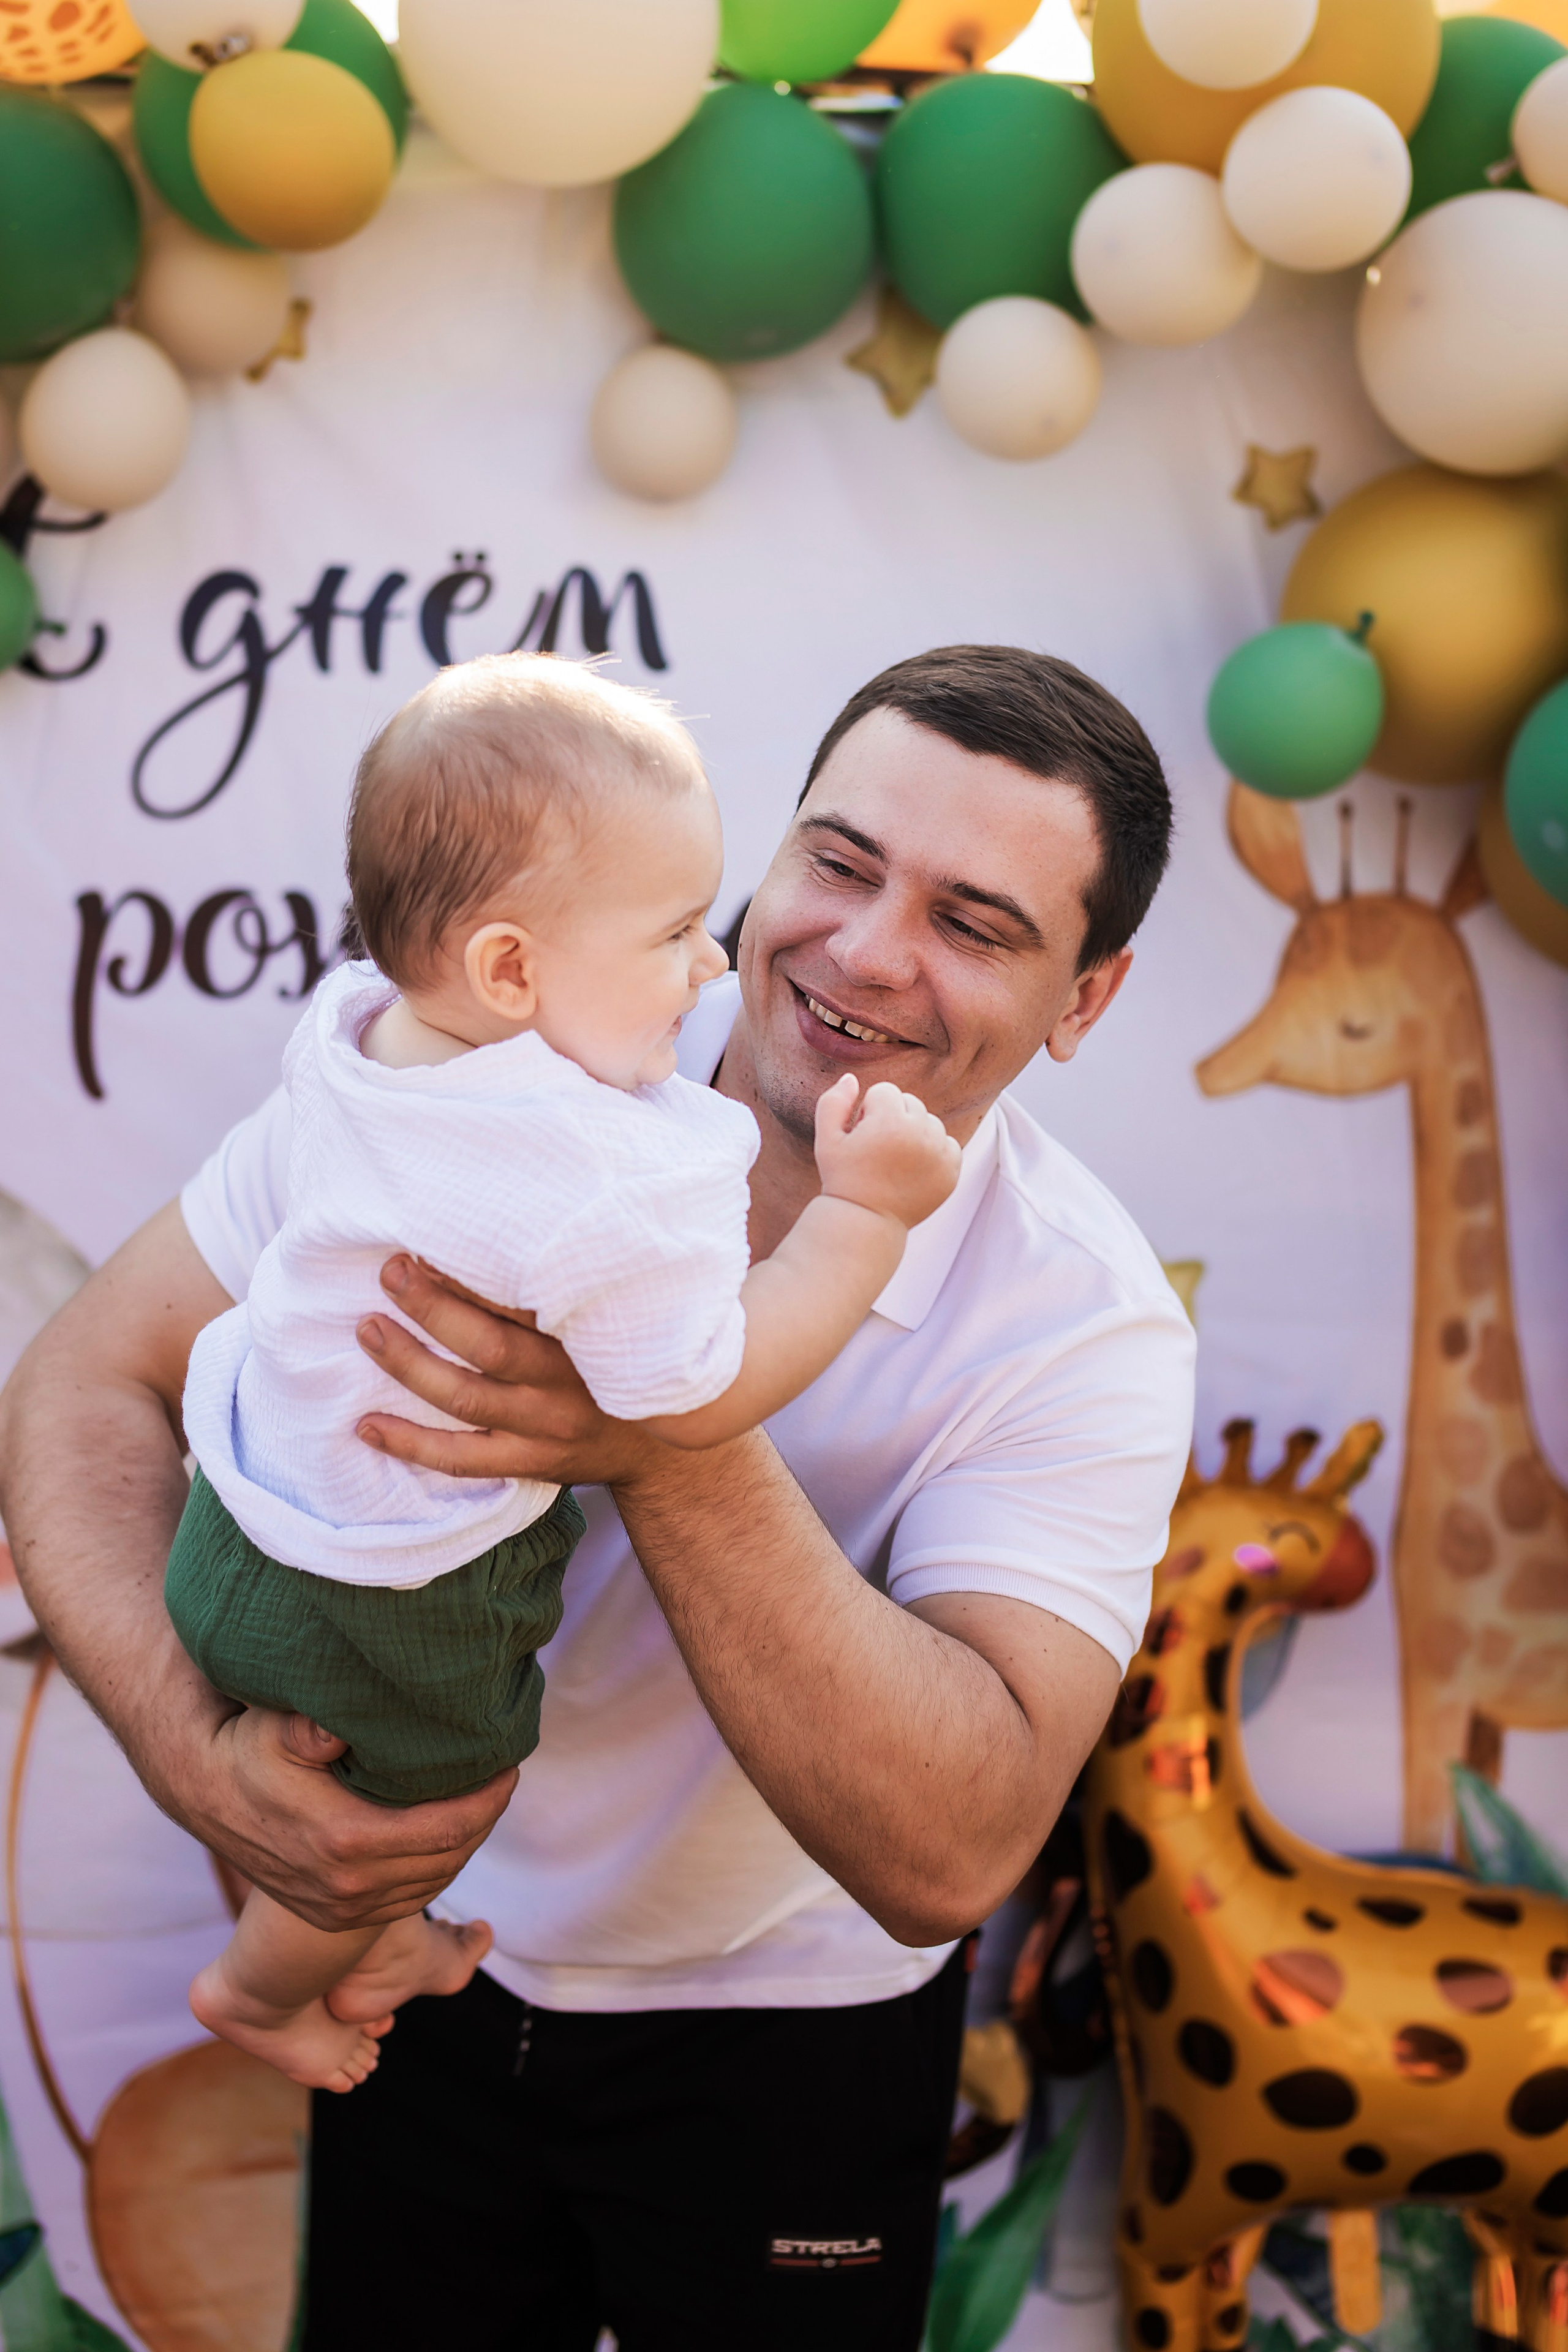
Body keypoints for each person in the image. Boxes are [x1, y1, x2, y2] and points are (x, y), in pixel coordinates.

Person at [0, 644, 1196, 2352]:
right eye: (839, 863)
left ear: (1087, 999)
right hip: (421, 1973)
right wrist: (196, 1754)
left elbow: (956, 1848)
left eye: (975, 922)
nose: (864, 952)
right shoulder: (504, 1053)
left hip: (789, 2032)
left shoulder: (1087, 1324)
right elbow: (77, 1387)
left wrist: (650, 1423)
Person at [170, 653, 957, 2095]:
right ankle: (263, 1986)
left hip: (232, 1516)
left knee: (361, 1780)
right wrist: (864, 1219)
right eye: (671, 935)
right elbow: (696, 1394)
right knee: (433, 1796)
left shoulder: (357, 1032)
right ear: (511, 970)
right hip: (391, 1594)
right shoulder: (598, 1172)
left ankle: (385, 1943)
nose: (710, 966)